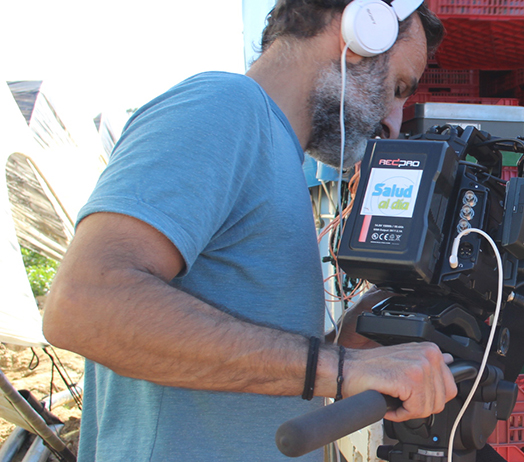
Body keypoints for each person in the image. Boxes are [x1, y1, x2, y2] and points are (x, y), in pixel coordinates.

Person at [41, 1, 451, 460]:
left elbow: (245, 370)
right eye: (398, 87)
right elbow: (84, 304)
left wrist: (347, 343)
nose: (394, 121)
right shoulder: (224, 107)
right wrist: (339, 367)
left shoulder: (279, 155)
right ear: (359, 36)